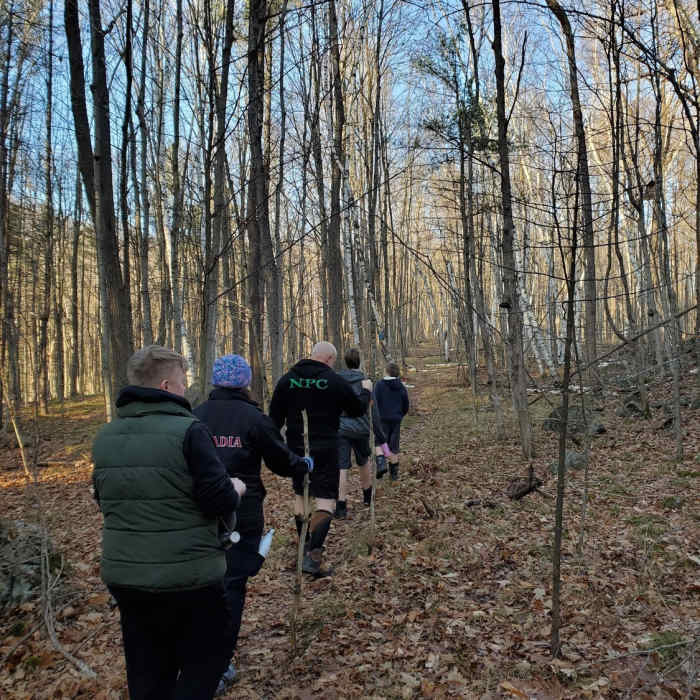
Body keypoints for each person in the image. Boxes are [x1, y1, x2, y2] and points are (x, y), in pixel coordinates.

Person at [92, 345, 247, 700]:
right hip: (188, 577)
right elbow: (216, 499)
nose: (185, 389)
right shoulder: (190, 431)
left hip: (127, 577)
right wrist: (234, 489)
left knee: (147, 668)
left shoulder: (105, 437)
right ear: (165, 385)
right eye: (181, 382)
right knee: (207, 660)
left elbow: (105, 500)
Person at [193, 354, 312, 693]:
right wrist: (303, 465)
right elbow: (281, 461)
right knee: (231, 585)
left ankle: (203, 659)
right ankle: (216, 665)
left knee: (204, 583)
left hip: (199, 513)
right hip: (241, 512)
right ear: (244, 382)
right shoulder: (253, 418)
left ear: (216, 381)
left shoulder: (195, 415)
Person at [269, 341, 371, 576]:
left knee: (300, 495)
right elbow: (357, 409)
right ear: (329, 359)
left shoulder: (287, 380)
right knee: (325, 500)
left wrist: (277, 448)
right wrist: (366, 391)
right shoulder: (334, 381)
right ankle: (314, 554)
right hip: (325, 449)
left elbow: (274, 419)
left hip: (296, 449)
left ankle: (305, 546)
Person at [335, 347, 393, 519]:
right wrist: (379, 433)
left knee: (342, 467)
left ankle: (341, 506)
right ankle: (367, 498)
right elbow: (372, 410)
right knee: (364, 462)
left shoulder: (337, 381)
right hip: (361, 429)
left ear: (345, 362)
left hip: (341, 429)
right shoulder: (366, 382)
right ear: (358, 362)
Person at [373, 361, 410, 480]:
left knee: (379, 442)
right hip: (396, 420)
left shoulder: (379, 385)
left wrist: (376, 415)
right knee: (393, 446)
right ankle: (394, 475)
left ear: (387, 372)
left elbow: (375, 402)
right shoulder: (401, 386)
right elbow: (406, 405)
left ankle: (381, 462)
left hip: (382, 419)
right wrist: (400, 415)